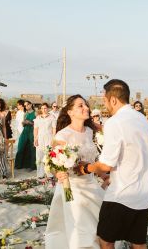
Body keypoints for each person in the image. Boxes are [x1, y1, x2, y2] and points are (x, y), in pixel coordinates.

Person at [76, 79, 148, 248]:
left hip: (123, 194)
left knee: (105, 240)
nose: (104, 105)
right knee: (138, 242)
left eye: (104, 100)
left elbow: (106, 164)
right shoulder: (141, 118)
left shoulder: (115, 121)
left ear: (113, 100)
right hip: (144, 193)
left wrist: (85, 168)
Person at [45, 95, 106, 249]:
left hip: (91, 184)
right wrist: (57, 172)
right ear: (70, 112)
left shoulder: (89, 132)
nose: (86, 108)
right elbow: (52, 163)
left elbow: (92, 161)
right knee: (79, 225)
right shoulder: (62, 135)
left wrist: (104, 175)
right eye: (80, 105)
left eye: (86, 105)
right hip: (70, 187)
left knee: (100, 222)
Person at [34, 103, 56, 178]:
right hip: (40, 138)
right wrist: (35, 139)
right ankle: (40, 173)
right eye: (42, 108)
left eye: (45, 108)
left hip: (49, 137)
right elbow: (36, 129)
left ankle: (49, 172)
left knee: (48, 155)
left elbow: (54, 129)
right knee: (39, 155)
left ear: (48, 108)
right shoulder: (38, 118)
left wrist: (53, 139)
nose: (44, 110)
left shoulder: (52, 117)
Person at [15, 100, 36, 170]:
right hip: (25, 131)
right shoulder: (25, 113)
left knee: (32, 148)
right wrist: (23, 123)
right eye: (25, 105)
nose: (26, 107)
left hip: (32, 131)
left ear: (31, 104)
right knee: (21, 146)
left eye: (27, 105)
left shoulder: (35, 113)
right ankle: (19, 165)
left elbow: (38, 124)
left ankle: (32, 166)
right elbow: (23, 124)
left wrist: (30, 122)